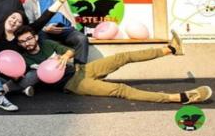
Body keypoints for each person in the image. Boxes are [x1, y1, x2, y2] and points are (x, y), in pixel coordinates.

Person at [13, 25, 212, 104]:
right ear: (20, 44)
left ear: (35, 38)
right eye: (23, 41)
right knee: (120, 89)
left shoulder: (46, 43)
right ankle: (179, 98)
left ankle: (171, 49)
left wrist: (65, 55)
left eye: (29, 38)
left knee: (121, 57)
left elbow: (71, 50)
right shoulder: (25, 60)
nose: (28, 43)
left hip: (82, 69)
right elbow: (26, 79)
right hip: (74, 84)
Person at [0, 0, 71, 99]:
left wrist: (61, 0)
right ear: (7, 18)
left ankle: (1, 90)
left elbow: (45, 17)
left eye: (18, 21)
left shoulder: (23, 36)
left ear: (21, 26)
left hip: (19, 76)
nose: (14, 21)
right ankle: (20, 89)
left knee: (35, 73)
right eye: (13, 18)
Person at [23, 0, 89, 64]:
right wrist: (46, 29)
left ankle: (80, 69)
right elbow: (31, 23)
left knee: (82, 39)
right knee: (40, 42)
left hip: (66, 29)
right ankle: (50, 70)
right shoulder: (30, 1)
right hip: (45, 32)